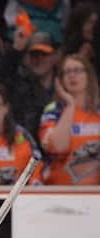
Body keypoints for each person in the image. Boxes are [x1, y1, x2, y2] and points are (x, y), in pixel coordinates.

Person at [39, 54, 100, 185]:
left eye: (77, 70)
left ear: (88, 76)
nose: (72, 75)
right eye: (67, 72)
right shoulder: (53, 110)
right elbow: (58, 147)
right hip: (60, 191)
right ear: (60, 80)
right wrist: (70, 105)